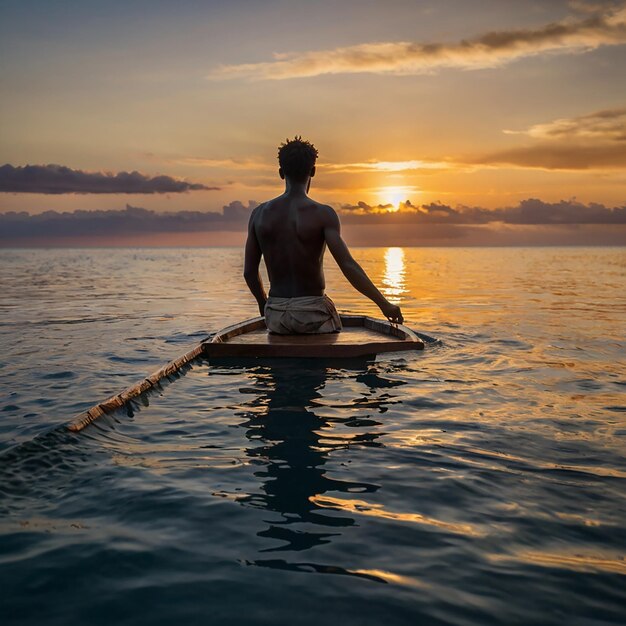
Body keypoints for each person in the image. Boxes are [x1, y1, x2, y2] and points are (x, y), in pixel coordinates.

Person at [243, 136, 404, 334]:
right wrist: (384, 304)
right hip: (313, 313)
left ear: (281, 173)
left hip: (276, 315)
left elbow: (249, 272)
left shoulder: (259, 215)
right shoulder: (323, 214)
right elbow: (348, 265)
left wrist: (263, 303)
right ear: (313, 171)